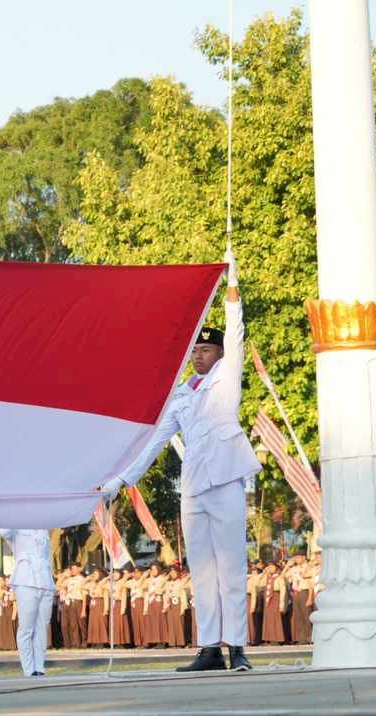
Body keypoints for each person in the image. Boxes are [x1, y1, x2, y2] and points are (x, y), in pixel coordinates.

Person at [102, 249, 258, 671]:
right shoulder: (183, 395)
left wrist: (233, 286)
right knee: (202, 569)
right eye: (195, 350)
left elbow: (235, 333)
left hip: (225, 482)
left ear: (220, 355)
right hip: (194, 488)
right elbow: (153, 444)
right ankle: (209, 648)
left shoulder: (226, 382)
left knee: (231, 566)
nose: (198, 355)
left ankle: (237, 648)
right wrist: (122, 479)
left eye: (206, 350)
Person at [0, 528, 53, 676]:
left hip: (45, 580)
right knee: (26, 628)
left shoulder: (43, 529)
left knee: (42, 627)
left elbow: (47, 555)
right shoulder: (16, 526)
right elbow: (3, 531)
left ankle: (39, 667)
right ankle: (29, 669)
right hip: (25, 579)